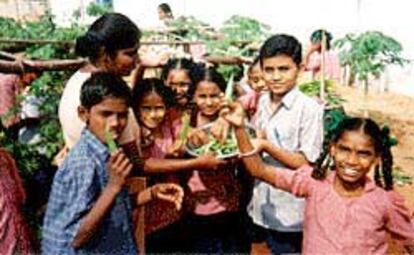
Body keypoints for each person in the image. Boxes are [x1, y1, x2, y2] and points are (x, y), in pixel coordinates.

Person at [222, 105, 414, 254]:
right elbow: (258, 170)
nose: (352, 161)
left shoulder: (384, 202)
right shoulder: (313, 183)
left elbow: (410, 240)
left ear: (376, 158)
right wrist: (240, 129)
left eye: (363, 154)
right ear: (332, 149)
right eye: (344, 150)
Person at [42, 73, 183, 254]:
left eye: (122, 115)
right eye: (105, 114)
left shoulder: (107, 152)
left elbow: (112, 207)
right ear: (83, 114)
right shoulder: (83, 162)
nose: (115, 123)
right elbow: (76, 238)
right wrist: (113, 186)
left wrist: (151, 193)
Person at [245, 34, 324, 254]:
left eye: (284, 69)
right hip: (260, 204)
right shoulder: (262, 101)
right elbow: (258, 135)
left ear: (298, 68)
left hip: (290, 213)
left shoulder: (309, 109)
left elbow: (307, 162)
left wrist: (266, 146)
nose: (276, 77)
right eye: (269, 70)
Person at [131, 78, 223, 253]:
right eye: (146, 108)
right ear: (136, 108)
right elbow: (144, 165)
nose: (153, 114)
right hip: (145, 220)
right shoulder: (134, 132)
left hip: (173, 212)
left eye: (158, 108)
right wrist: (195, 163)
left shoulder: (168, 122)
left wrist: (187, 138)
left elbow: (187, 132)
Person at [184, 66, 249, 254]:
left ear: (223, 95)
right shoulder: (188, 120)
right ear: (193, 97)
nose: (209, 102)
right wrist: (190, 135)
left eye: (215, 96)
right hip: (198, 198)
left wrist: (226, 119)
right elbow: (181, 143)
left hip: (228, 198)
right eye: (202, 97)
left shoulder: (232, 119)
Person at [58, 13, 141, 152]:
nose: (137, 60)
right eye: (130, 54)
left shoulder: (79, 80)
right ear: (105, 54)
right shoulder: (105, 93)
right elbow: (134, 163)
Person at [0, 148, 37, 255]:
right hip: (17, 236)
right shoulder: (4, 156)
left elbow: (21, 195)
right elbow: (21, 196)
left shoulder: (4, 157)